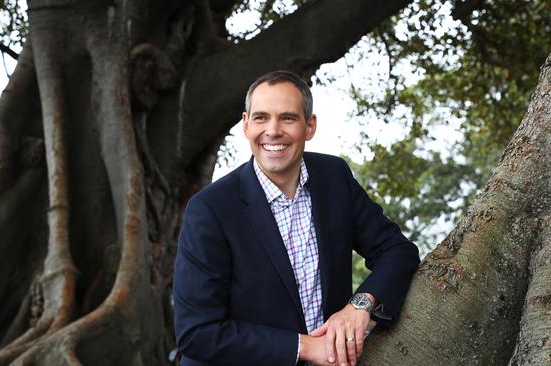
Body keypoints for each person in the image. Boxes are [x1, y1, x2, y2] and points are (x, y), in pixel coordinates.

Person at [173, 70, 420, 366]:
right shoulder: (211, 208)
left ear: (310, 126)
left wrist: (359, 306)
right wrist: (305, 347)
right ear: (246, 124)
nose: (273, 130)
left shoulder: (334, 177)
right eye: (261, 117)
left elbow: (397, 250)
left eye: (287, 118)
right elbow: (197, 333)